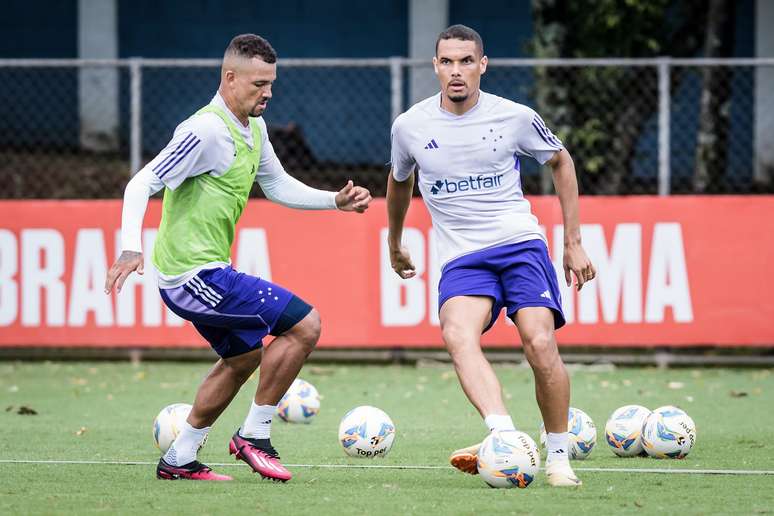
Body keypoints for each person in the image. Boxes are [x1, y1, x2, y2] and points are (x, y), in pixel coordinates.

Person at [104, 34, 371, 482]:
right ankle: (254, 436)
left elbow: (279, 185)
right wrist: (131, 246)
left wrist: (334, 202)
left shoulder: (255, 127)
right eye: (258, 83)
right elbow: (140, 184)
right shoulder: (204, 130)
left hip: (207, 273)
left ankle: (179, 459)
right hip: (191, 275)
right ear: (230, 78)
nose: (267, 92)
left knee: (244, 359)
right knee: (306, 324)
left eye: (271, 83)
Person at [386, 25, 595, 487]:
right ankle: (504, 437)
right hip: (463, 257)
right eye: (447, 62)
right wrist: (394, 241)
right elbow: (399, 181)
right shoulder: (410, 126)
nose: (456, 71)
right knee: (457, 334)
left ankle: (559, 458)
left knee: (539, 344)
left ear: (482, 65)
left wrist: (573, 241)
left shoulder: (515, 117)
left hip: (519, 244)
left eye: (466, 61)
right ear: (436, 66)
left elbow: (561, 161)